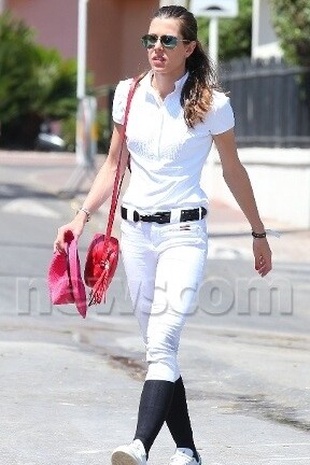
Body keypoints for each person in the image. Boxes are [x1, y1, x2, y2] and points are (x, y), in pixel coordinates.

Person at [54, 5, 272, 465]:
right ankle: (188, 450)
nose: (156, 48)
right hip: (135, 235)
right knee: (157, 349)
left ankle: (139, 445)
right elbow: (114, 165)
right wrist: (81, 217)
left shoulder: (211, 103)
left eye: (168, 41)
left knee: (164, 338)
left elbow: (233, 170)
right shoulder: (127, 95)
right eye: (150, 40)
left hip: (184, 234)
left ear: (188, 48)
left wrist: (258, 231)